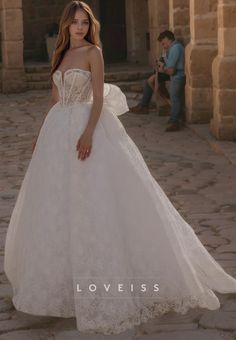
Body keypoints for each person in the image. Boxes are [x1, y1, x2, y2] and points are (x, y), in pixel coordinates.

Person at [4, 0, 236, 336]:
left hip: (86, 126)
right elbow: (54, 99)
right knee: (55, 205)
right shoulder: (62, 55)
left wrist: (87, 134)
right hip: (57, 131)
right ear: (66, 25)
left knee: (94, 200)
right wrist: (42, 135)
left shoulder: (92, 54)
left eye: (84, 22)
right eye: (75, 23)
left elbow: (97, 98)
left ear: (90, 25)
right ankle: (62, 283)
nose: (80, 28)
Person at [158, 30, 186, 132]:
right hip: (176, 76)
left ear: (168, 39)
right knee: (175, 98)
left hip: (178, 76)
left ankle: (175, 122)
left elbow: (170, 70)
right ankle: (174, 119)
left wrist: (163, 68)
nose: (163, 45)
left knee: (175, 99)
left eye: (164, 42)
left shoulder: (175, 48)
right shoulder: (174, 47)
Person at [129, 48, 170, 115]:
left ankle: (143, 106)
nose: (163, 46)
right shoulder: (166, 52)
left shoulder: (173, 51)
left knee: (150, 82)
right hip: (161, 72)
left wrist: (160, 67)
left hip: (165, 73)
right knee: (148, 82)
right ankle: (143, 105)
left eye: (164, 44)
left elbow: (168, 67)